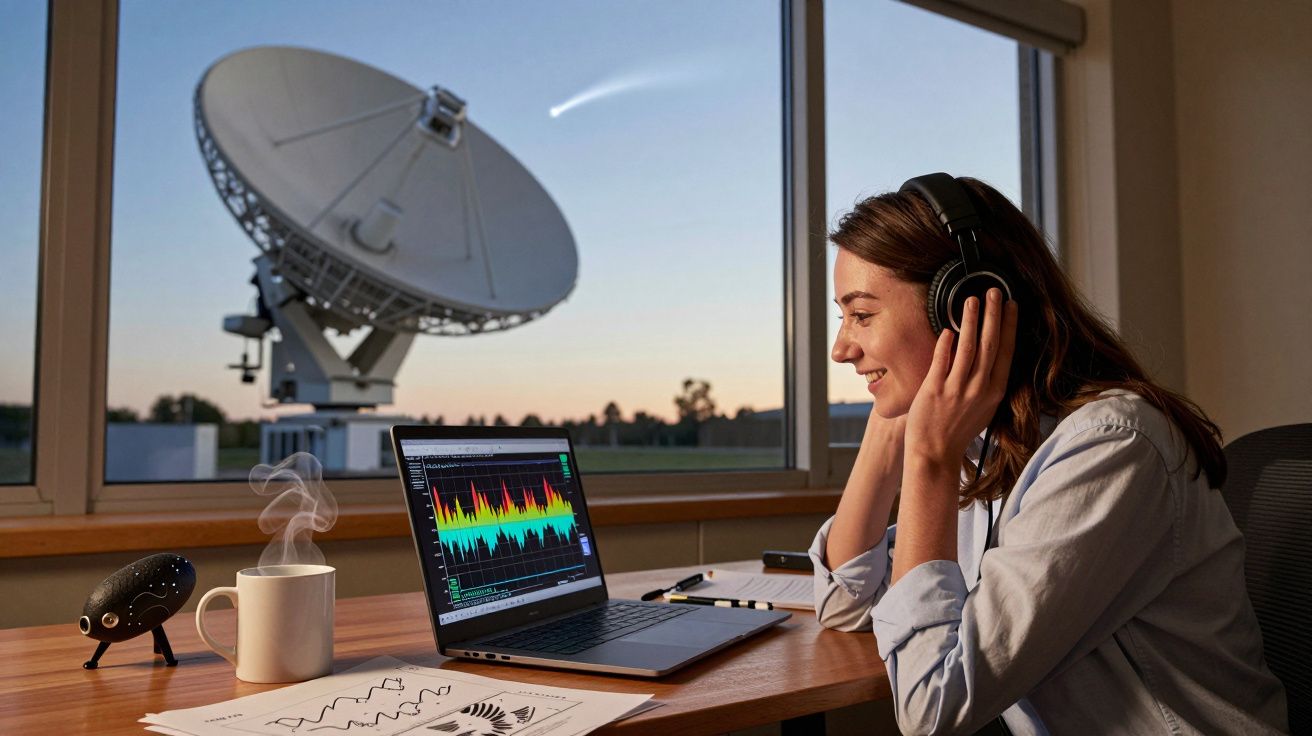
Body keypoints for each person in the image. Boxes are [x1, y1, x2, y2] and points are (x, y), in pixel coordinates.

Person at [810, 174, 1288, 735]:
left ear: (961, 310)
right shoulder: (994, 445)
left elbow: (932, 708)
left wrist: (929, 462)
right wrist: (893, 422)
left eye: (862, 315)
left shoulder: (1108, 451)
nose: (841, 348)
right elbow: (846, 603)